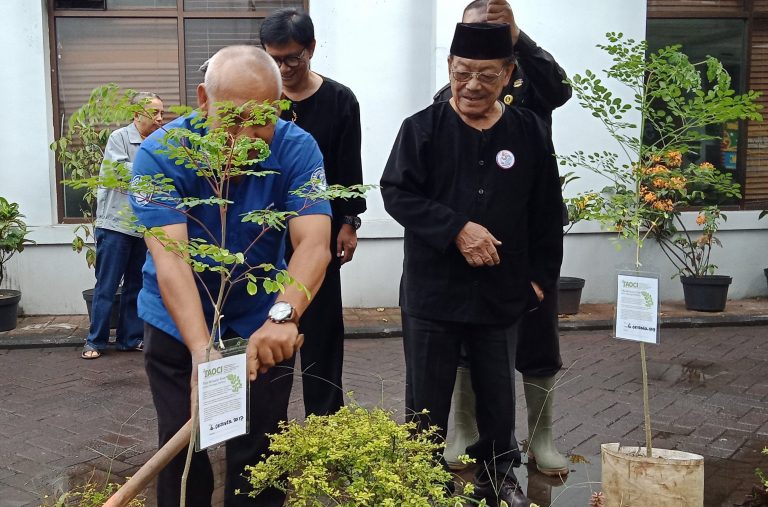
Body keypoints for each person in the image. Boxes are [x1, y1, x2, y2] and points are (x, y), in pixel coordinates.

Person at [130, 46, 332, 507]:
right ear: (204, 99)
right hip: (175, 322)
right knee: (182, 449)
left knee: (262, 451)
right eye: (233, 119)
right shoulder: (158, 153)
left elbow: (314, 242)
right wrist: (202, 350)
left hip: (260, 322)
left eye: (261, 120)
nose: (246, 136)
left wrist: (283, 315)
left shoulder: (298, 149)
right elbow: (171, 260)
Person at [381, 22, 563, 507]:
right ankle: (422, 478)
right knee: (426, 398)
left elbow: (547, 212)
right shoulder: (422, 127)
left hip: (502, 291)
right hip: (432, 291)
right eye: (463, 73)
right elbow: (396, 193)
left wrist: (541, 281)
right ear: (450, 70)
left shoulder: (527, 131)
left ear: (508, 74)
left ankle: (498, 474)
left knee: (497, 395)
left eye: (486, 74)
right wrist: (455, 228)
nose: (472, 85)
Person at [434, 0, 572, 477]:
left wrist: (521, 37)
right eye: (475, 30)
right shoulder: (449, 98)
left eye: (496, 29)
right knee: (470, 341)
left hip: (528, 238)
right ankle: (466, 430)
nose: (484, 37)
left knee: (538, 338)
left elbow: (560, 89)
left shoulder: (529, 83)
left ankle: (541, 437)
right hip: (473, 247)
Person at [260, 8, 366, 417]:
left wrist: (349, 222)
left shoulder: (340, 100)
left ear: (311, 49)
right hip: (265, 237)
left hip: (320, 235)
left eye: (292, 58)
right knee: (271, 328)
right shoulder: (259, 102)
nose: (284, 68)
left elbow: (348, 170)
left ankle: (325, 426)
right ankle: (271, 429)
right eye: (274, 59)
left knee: (321, 333)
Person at [81, 92, 163, 360]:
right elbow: (118, 173)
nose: (161, 118)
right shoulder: (120, 138)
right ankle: (95, 342)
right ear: (137, 114)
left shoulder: (159, 142)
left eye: (162, 113)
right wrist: (152, 168)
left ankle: (130, 338)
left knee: (136, 285)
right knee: (107, 286)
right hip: (116, 225)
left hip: (142, 226)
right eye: (155, 113)